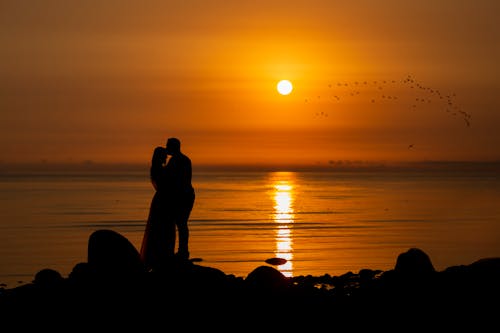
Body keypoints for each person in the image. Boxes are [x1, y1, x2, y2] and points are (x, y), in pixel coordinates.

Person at [140, 146, 176, 271]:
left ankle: (161, 256)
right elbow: (165, 183)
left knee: (161, 228)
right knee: (162, 228)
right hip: (162, 201)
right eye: (164, 155)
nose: (166, 157)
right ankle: (161, 257)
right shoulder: (158, 169)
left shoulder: (157, 168)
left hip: (161, 200)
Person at [164, 137, 195, 260]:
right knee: (181, 223)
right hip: (185, 194)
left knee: (181, 223)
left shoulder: (177, 161)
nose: (167, 149)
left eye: (168, 146)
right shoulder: (183, 159)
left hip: (183, 195)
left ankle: (183, 251)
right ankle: (183, 250)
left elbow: (178, 180)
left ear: (174, 147)